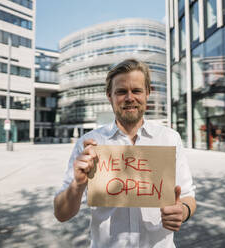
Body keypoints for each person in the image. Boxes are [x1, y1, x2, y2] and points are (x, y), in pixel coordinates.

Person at [54, 59, 196, 247]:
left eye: (136, 91)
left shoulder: (170, 139)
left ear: (148, 93)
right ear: (109, 96)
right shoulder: (90, 144)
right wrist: (77, 185)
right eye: (121, 92)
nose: (130, 98)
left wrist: (183, 211)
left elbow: (188, 195)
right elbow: (61, 214)